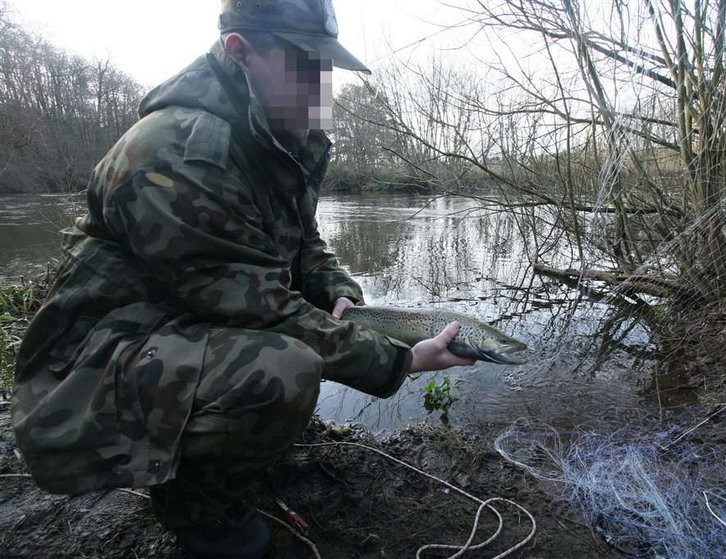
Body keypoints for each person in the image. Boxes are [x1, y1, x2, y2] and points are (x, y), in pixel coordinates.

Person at [11, 1, 474, 557]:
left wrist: (340, 293)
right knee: (283, 366)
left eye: (326, 66)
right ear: (240, 50)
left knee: (303, 343)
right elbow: (258, 307)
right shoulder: (179, 151)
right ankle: (198, 513)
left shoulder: (285, 137)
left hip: (184, 324)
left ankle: (224, 443)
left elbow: (304, 245)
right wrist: (400, 360)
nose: (320, 84)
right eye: (304, 63)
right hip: (92, 364)